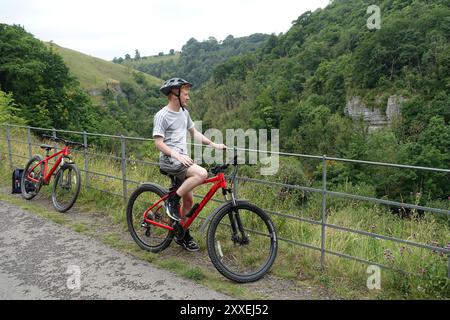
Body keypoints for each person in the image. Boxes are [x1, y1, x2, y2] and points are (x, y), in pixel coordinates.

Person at [153, 78, 226, 251]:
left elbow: (194, 133)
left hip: (182, 160)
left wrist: (214, 144)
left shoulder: (184, 113)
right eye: (185, 94)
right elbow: (158, 142)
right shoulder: (162, 115)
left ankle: (182, 234)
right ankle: (172, 200)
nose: (188, 97)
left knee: (189, 201)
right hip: (170, 160)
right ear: (174, 95)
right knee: (202, 174)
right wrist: (176, 154)